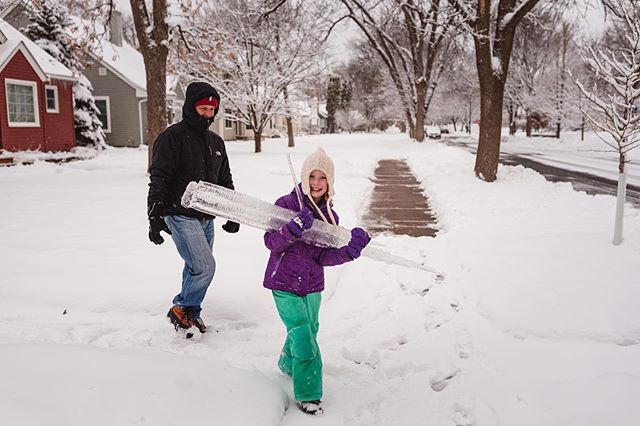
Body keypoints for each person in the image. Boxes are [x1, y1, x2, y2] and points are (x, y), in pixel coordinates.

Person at [262, 147, 370, 415]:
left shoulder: (330, 218)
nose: (316, 183)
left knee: (310, 328)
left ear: (330, 182)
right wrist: (291, 229)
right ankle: (308, 394)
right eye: (312, 176)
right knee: (304, 338)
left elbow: (324, 257)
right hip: (284, 284)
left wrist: (349, 251)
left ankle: (288, 364)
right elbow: (270, 242)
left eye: (322, 178)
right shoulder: (286, 205)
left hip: (311, 285)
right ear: (304, 176)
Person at [147, 81, 240, 337]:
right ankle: (181, 307)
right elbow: (159, 176)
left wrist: (232, 213)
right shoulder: (172, 137)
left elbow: (225, 180)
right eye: (203, 109)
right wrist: (154, 215)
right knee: (204, 266)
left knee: (194, 266)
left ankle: (190, 312)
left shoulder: (217, 142)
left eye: (212, 109)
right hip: (179, 212)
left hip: (205, 216)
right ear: (190, 107)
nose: (208, 114)